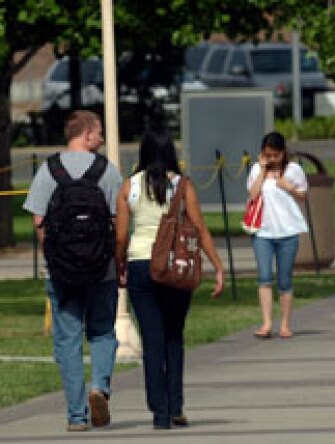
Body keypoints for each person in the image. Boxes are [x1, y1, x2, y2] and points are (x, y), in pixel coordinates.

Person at [115, 129, 224, 430]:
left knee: (152, 342)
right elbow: (200, 230)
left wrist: (120, 264)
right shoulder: (183, 186)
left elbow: (122, 236)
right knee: (173, 337)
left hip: (140, 265)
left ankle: (159, 412)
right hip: (175, 266)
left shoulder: (129, 187)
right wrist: (218, 267)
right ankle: (176, 406)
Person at [23, 110, 123, 431]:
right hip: (101, 269)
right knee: (103, 331)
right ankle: (100, 388)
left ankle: (76, 416)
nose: (103, 138)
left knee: (67, 341)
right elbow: (119, 221)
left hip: (62, 271)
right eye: (99, 132)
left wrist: (54, 256)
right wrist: (117, 261)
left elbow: (38, 221)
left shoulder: (47, 171)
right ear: (87, 134)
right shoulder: (107, 171)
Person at [246, 131, 308, 339]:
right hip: (262, 231)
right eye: (267, 155)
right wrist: (263, 171)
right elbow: (253, 195)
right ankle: (266, 323)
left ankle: (285, 324)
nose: (271, 159)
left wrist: (288, 187)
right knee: (264, 276)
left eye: (275, 155)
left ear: (283, 153)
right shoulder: (256, 169)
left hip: (288, 231)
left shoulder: (294, 170)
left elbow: (303, 197)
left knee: (284, 279)